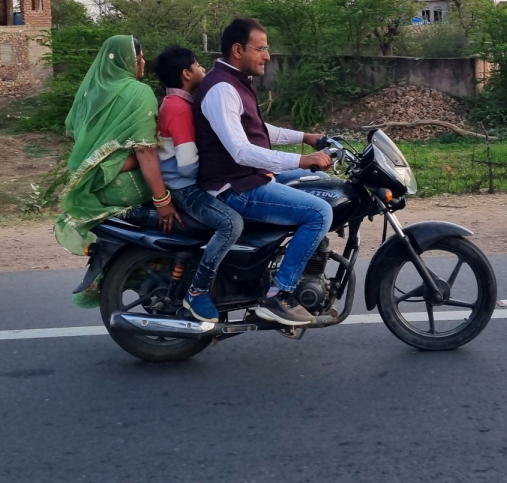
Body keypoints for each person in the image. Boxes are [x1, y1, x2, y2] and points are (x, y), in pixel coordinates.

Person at [193, 17, 333, 327]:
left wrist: (305, 137)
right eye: (262, 48)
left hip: (249, 176)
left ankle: (301, 260)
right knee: (320, 213)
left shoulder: (235, 82)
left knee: (323, 183)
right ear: (238, 49)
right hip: (234, 187)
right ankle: (278, 294)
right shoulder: (221, 90)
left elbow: (258, 129)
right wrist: (302, 160)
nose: (267, 56)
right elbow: (241, 151)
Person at [55, 35, 183, 259]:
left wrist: (105, 155)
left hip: (87, 181)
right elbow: (145, 150)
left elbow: (71, 131)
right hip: (120, 186)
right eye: (140, 58)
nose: (143, 63)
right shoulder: (138, 92)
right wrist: (162, 201)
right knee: (183, 193)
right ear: (127, 61)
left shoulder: (90, 91)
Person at [155, 46, 244, 323]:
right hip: (183, 187)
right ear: (186, 73)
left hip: (183, 182)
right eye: (198, 66)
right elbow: (186, 163)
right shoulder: (179, 109)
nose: (203, 70)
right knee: (231, 223)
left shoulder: (178, 103)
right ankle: (198, 289)